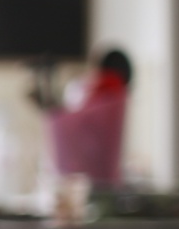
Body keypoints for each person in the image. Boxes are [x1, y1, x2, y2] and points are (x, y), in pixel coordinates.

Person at [33, 48, 133, 188]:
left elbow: (74, 122)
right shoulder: (116, 96)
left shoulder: (108, 93)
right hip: (107, 181)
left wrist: (54, 116)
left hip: (95, 184)